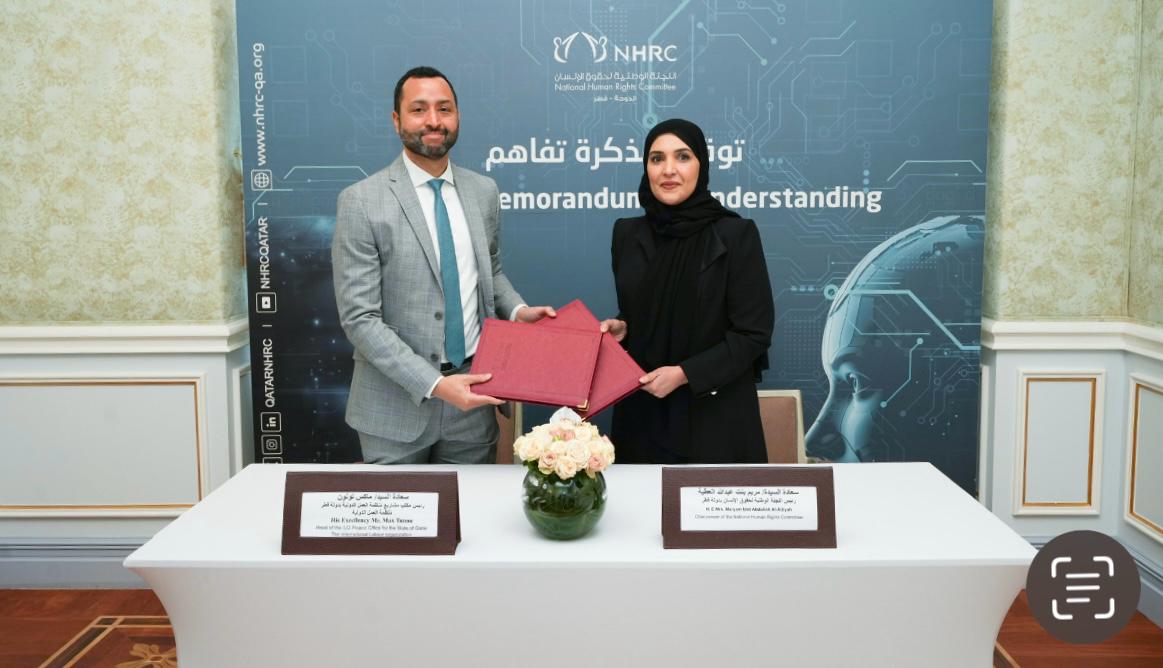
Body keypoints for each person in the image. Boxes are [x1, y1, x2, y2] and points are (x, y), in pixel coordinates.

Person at [332, 66, 555, 464]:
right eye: (419, 110)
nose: (433, 121)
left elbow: (491, 270)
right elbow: (360, 318)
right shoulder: (361, 201)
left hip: (472, 400)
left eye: (444, 109)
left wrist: (518, 311)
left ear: (458, 117)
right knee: (401, 526)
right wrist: (435, 384)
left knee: (469, 522)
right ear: (396, 120)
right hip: (393, 408)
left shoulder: (483, 191)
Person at [600, 119, 774, 463]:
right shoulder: (627, 234)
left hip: (714, 418)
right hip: (642, 412)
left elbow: (753, 334)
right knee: (639, 514)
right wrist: (625, 326)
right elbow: (650, 308)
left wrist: (684, 374)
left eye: (682, 157)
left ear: (701, 166)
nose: (668, 170)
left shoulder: (735, 235)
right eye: (656, 158)